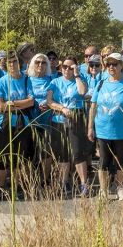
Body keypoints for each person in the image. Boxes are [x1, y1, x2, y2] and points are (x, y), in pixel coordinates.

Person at [88, 51, 123, 201]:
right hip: (103, 130)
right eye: (108, 64)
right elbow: (93, 107)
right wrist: (90, 127)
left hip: (122, 130)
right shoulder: (101, 83)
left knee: (121, 161)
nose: (111, 67)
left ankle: (120, 188)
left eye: (114, 64)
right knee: (103, 161)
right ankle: (103, 191)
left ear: (121, 65)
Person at [46, 55, 91, 196]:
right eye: (64, 67)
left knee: (77, 153)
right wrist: (62, 108)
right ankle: (64, 182)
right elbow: (49, 101)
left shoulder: (81, 80)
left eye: (70, 67)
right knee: (62, 154)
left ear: (75, 68)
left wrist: (76, 75)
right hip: (59, 119)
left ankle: (84, 183)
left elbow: (83, 92)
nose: (67, 70)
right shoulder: (55, 82)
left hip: (76, 118)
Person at [0, 53, 34, 197]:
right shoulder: (2, 82)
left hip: (23, 123)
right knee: (3, 156)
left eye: (14, 61)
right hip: (5, 123)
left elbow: (31, 101)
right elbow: (0, 105)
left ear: (19, 63)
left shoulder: (26, 80)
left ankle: (17, 187)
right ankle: (0, 187)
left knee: (20, 156)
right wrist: (15, 105)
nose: (12, 65)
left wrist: (13, 104)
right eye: (9, 62)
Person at [25, 53, 55, 190]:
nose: (40, 65)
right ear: (32, 64)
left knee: (45, 152)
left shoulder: (52, 80)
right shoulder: (27, 79)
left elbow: (57, 96)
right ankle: (30, 180)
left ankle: (44, 179)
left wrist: (48, 103)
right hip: (29, 120)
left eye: (44, 63)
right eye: (37, 62)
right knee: (29, 152)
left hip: (47, 121)